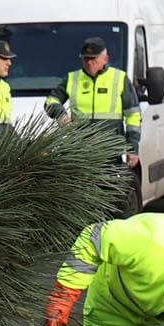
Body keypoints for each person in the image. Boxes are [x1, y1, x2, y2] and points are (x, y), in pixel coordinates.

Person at [48, 36, 141, 209]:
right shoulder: (72, 79)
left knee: (115, 203)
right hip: (81, 153)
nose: (89, 63)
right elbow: (51, 101)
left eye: (94, 59)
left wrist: (132, 148)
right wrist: (60, 115)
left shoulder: (119, 79)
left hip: (110, 154)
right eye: (86, 59)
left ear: (105, 59)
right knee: (83, 203)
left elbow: (133, 116)